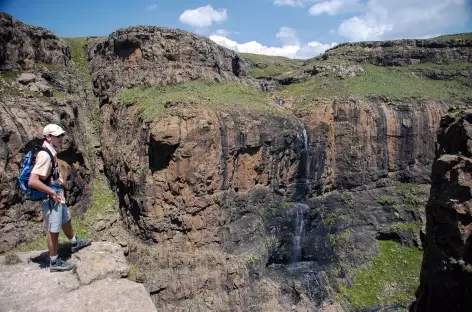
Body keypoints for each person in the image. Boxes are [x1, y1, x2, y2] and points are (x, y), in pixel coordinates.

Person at [28, 124, 91, 272]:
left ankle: (74, 242)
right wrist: (51, 192)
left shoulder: (51, 150)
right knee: (54, 230)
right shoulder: (45, 155)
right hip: (52, 197)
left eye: (61, 135)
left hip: (57, 194)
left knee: (65, 218)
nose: (61, 139)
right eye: (57, 136)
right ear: (48, 137)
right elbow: (33, 180)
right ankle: (54, 261)